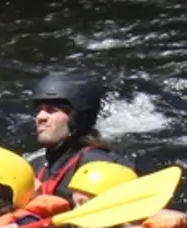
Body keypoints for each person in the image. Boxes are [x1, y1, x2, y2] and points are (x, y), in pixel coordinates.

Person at [27, 70, 130, 201]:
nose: (40, 117)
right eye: (39, 110)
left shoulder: (101, 165)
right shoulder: (35, 167)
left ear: (78, 118)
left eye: (52, 111)